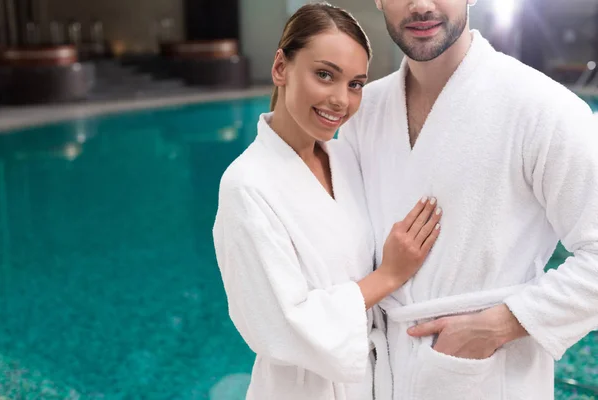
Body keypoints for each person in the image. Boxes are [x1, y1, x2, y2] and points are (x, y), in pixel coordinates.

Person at [338, 0, 598, 399]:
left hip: (489, 376)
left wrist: (499, 325)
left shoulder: (542, 108)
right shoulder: (364, 111)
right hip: (383, 375)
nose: (421, 5)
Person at [212, 3, 443, 400]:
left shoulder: (344, 160)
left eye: (355, 84)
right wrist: (388, 275)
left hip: (368, 381)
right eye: (325, 75)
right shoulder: (246, 185)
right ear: (281, 68)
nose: (340, 100)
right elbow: (279, 325)